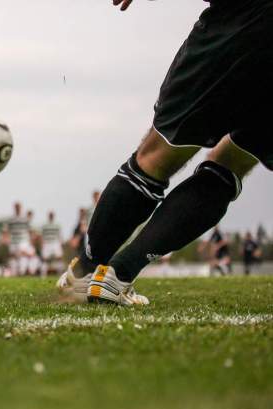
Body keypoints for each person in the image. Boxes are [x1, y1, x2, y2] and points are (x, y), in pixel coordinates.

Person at [59, 0, 272, 305]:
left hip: (241, 21)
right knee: (231, 164)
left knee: (155, 157)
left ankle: (84, 274)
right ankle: (118, 275)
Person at [2, 202, 34, 276]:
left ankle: (22, 271)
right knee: (14, 256)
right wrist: (5, 239)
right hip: (13, 241)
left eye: (18, 207)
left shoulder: (25, 219)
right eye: (16, 207)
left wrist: (31, 240)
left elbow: (30, 230)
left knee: (22, 254)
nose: (17, 208)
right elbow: (6, 230)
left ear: (21, 208)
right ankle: (15, 272)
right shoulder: (11, 219)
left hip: (23, 240)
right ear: (14, 208)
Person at [40, 211, 64, 277]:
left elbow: (60, 235)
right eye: (50, 215)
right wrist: (42, 244)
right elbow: (42, 236)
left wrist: (60, 244)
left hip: (55, 242)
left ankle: (60, 274)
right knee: (44, 259)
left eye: (52, 215)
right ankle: (43, 275)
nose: (51, 216)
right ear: (48, 216)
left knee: (59, 258)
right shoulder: (44, 226)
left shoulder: (57, 225)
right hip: (47, 243)